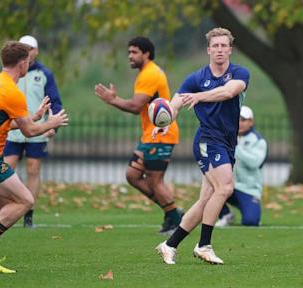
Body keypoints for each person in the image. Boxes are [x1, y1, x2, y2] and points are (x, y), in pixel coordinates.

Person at [0, 41, 69, 273]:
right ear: (23, 63)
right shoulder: (13, 92)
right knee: (26, 200)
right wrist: (50, 122)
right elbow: (29, 131)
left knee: (1, 207)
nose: (28, 66)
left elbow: (1, 123)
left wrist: (34, 115)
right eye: (27, 63)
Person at [155, 27, 250, 265]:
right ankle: (204, 245)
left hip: (227, 142)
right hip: (208, 140)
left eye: (223, 46)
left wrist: (199, 96)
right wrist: (166, 120)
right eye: (215, 46)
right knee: (225, 188)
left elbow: (228, 92)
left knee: (207, 199)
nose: (219, 50)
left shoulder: (240, 73)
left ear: (230, 49)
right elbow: (175, 103)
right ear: (208, 50)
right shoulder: (196, 78)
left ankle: (170, 244)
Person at [95, 36, 183, 234]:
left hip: (160, 134)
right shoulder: (146, 72)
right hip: (150, 135)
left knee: (155, 181)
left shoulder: (150, 74)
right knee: (133, 175)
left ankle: (175, 219)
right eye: (129, 52)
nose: (130, 56)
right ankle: (172, 212)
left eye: (134, 52)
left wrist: (112, 100)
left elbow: (135, 106)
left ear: (147, 54)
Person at [3, 35, 63, 228]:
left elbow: (54, 100)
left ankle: (28, 214)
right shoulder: (11, 73)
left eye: (31, 48)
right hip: (13, 130)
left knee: (33, 169)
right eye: (25, 48)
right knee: (6, 168)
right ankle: (8, 207)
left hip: (36, 131)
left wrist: (52, 124)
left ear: (36, 51)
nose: (28, 51)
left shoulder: (45, 73)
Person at [215, 105, 267, 227]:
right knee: (211, 186)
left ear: (251, 122)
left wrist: (236, 146)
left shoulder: (258, 140)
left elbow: (255, 163)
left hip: (249, 190)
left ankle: (249, 207)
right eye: (237, 119)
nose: (239, 123)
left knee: (251, 222)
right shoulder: (227, 136)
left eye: (243, 119)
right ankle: (225, 214)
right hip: (229, 186)